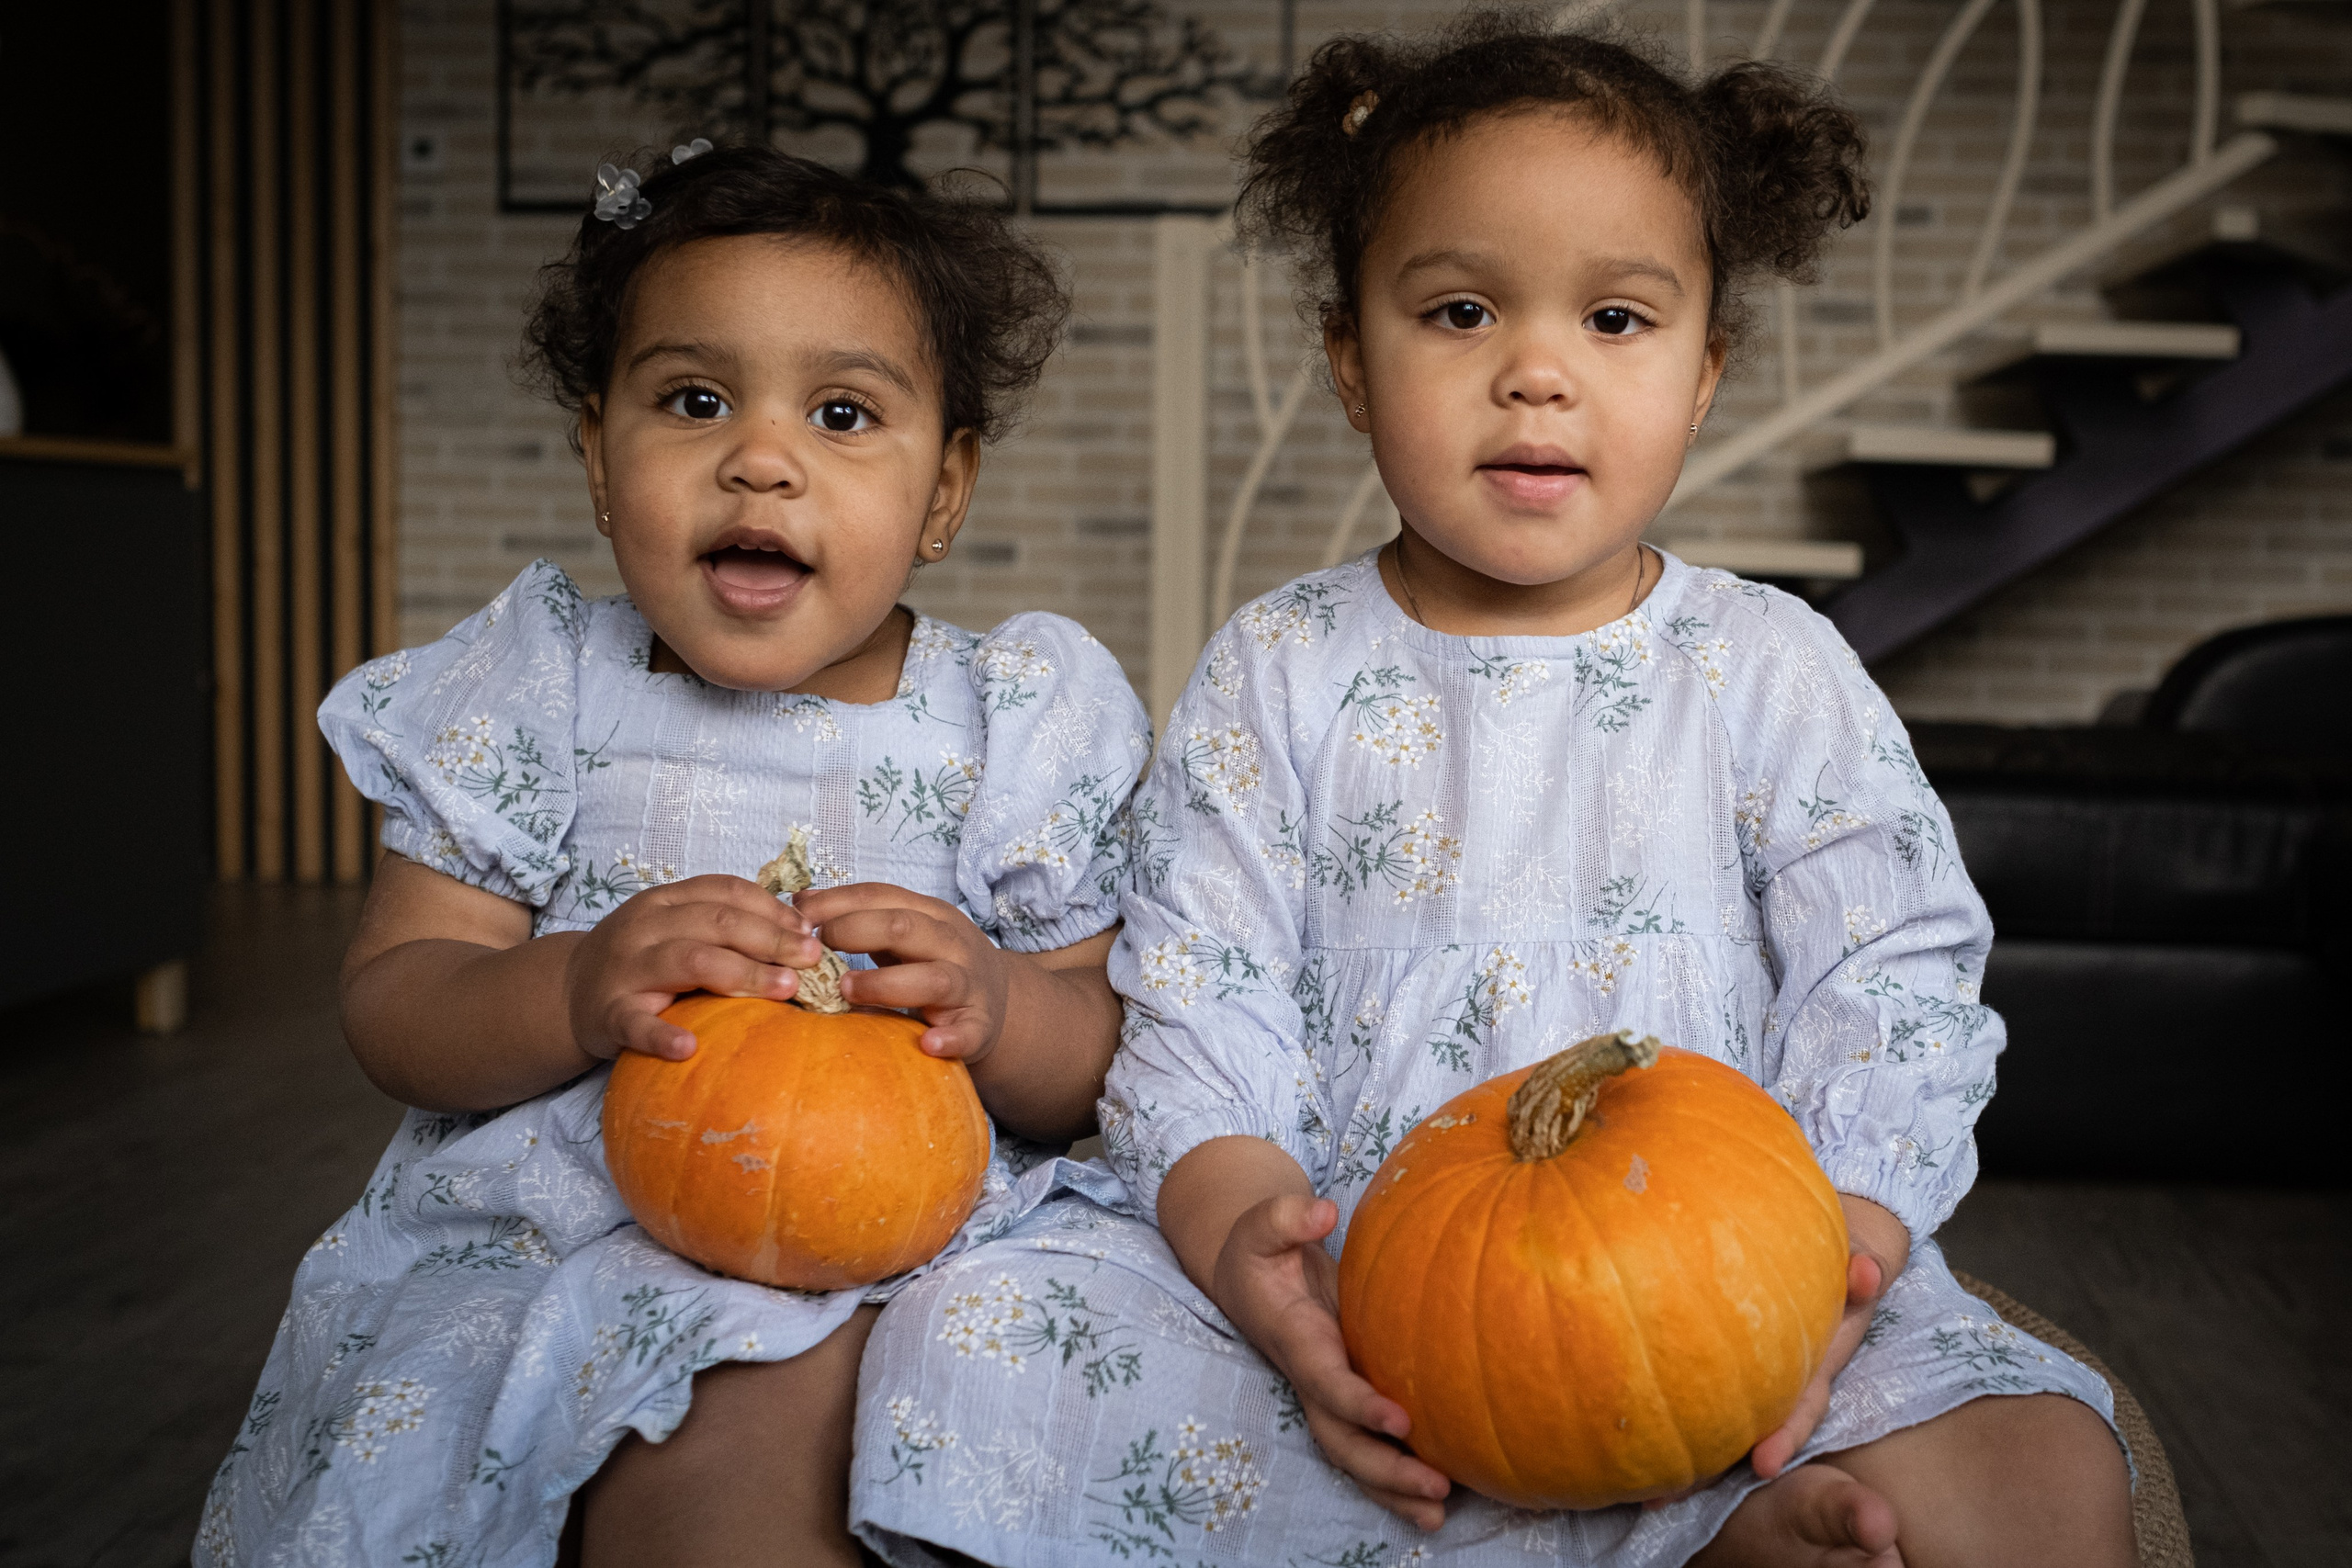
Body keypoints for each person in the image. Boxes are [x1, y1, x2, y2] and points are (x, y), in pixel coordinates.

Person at [847, 16, 2138, 1568]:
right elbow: (1197, 1003)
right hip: (1377, 1284)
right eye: (1461, 311)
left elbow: (1899, 974)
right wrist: (1247, 1238)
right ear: (1350, 361)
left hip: (1731, 1285)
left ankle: (1727, 1506)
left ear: (1706, 370)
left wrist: (1843, 1246)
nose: (1536, 372)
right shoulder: (1279, 671)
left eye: (1614, 319)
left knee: (2046, 1468)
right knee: (969, 1341)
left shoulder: (1769, 666)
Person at [195, 142, 1151, 1567]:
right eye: (694, 401)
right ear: (597, 455)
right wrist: (573, 987)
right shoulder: (542, 682)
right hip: (559, 1236)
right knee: (560, 1470)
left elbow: (1100, 1062)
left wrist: (1004, 1006)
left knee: (861, 1460)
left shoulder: (1014, 720)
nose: (760, 458)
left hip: (900, 1238)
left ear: (944, 489)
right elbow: (397, 1000)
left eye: (842, 413)